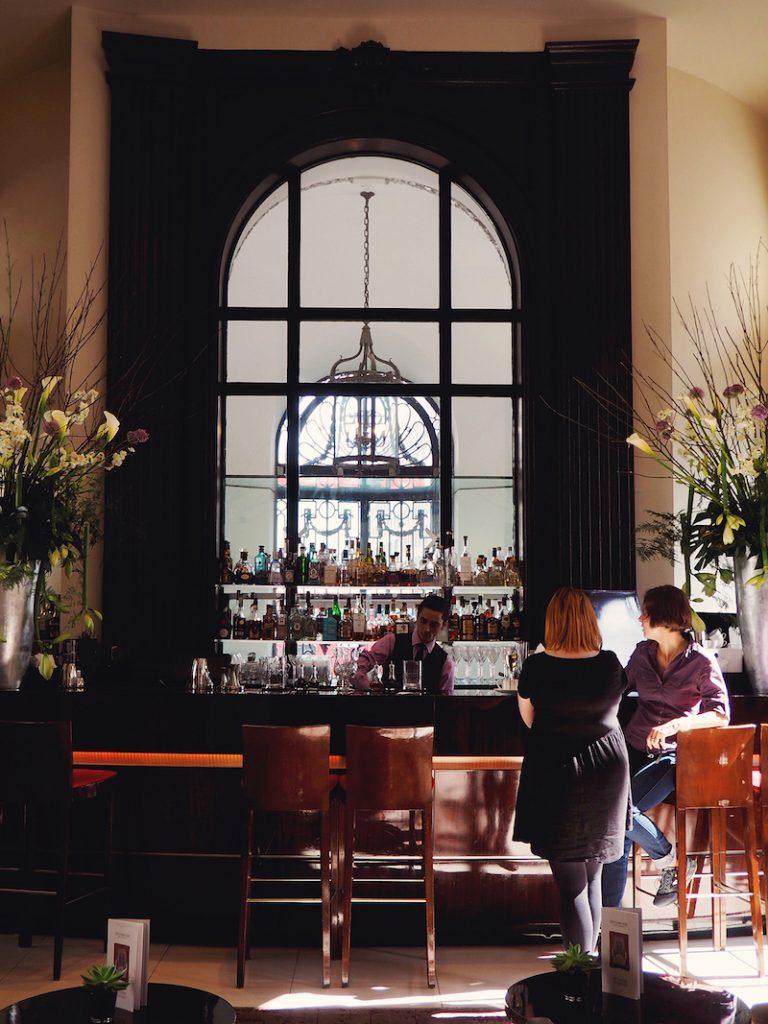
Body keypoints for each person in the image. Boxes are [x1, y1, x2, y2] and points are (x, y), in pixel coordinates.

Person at [513, 587, 629, 955]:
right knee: (592, 875)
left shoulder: (537, 666)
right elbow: (614, 709)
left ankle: (578, 975)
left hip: (556, 770)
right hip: (608, 771)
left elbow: (529, 720)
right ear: (588, 619)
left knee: (569, 884)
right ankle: (590, 968)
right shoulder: (610, 663)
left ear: (553, 621)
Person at [601, 584, 730, 908]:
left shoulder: (700, 661)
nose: (641, 618)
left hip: (671, 756)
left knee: (620, 811)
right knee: (617, 833)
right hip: (631, 748)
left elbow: (720, 713)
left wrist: (676, 724)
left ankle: (669, 860)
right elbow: (614, 689)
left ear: (665, 616)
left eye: (647, 612)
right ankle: (609, 926)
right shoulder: (642, 653)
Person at [353, 593, 455, 694]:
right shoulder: (391, 641)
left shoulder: (446, 662)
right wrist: (365, 688)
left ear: (443, 626)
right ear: (417, 617)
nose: (427, 629)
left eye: (434, 625)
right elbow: (362, 663)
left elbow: (446, 702)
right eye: (423, 621)